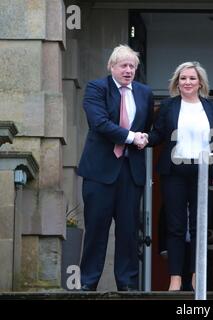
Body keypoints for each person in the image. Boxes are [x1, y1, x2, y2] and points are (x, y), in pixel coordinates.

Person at [77, 44, 154, 291]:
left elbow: (147, 127)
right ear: (112, 67)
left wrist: (143, 138)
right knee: (96, 231)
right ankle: (88, 285)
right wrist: (132, 138)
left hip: (131, 173)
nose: (128, 70)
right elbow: (99, 123)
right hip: (99, 173)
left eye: (132, 66)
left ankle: (127, 286)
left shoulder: (144, 93)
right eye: (124, 65)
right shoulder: (96, 88)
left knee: (129, 233)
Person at [148, 61, 213, 291]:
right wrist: (139, 138)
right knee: (175, 225)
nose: (188, 82)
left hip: (203, 172)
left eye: (192, 78)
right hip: (175, 172)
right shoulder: (169, 107)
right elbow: (158, 134)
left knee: (200, 227)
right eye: (183, 78)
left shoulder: (212, 108)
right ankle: (175, 278)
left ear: (200, 82)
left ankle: (195, 276)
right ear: (177, 83)